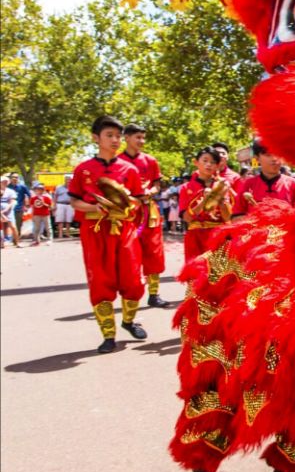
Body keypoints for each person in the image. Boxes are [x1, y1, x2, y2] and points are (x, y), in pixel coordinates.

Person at [68, 116, 150, 354]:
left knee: (133, 279)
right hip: (94, 230)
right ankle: (108, 335)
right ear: (96, 138)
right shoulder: (83, 169)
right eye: (109, 136)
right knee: (100, 280)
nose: (115, 141)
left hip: (124, 229)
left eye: (117, 136)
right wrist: (95, 208)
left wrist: (125, 203)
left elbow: (139, 200)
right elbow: (74, 200)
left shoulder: (129, 169)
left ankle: (129, 321)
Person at [120, 124, 170, 308]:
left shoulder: (150, 161)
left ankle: (154, 294)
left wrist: (149, 191)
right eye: (137, 137)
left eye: (143, 137)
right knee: (128, 252)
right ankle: (130, 293)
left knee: (154, 252)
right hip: (127, 213)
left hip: (149, 212)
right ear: (126, 138)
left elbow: (157, 185)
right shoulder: (117, 161)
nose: (141, 141)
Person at [179, 147, 235, 262]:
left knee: (217, 276)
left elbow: (227, 217)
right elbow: (187, 218)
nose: (209, 165)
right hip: (194, 237)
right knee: (195, 274)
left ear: (217, 166)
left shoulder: (221, 186)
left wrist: (219, 198)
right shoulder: (186, 187)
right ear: (196, 162)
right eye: (205, 161)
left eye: (213, 162)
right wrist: (204, 201)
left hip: (217, 236)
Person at [232, 139, 295, 217]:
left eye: (277, 154)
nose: (274, 159)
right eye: (268, 155)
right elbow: (236, 216)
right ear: (257, 158)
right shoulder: (248, 184)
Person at [8, 174, 32, 242]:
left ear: (18, 179)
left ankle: (16, 239)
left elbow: (29, 195)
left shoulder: (22, 187)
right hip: (9, 209)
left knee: (18, 224)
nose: (15, 179)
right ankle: (10, 239)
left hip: (19, 208)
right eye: (13, 177)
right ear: (10, 178)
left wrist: (28, 205)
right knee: (9, 225)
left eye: (16, 177)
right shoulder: (8, 187)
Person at [0, 175, 18, 248]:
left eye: (6, 182)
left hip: (8, 210)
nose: (4, 183)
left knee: (13, 226)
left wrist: (5, 210)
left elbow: (12, 202)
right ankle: (2, 243)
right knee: (1, 228)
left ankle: (17, 242)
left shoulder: (11, 191)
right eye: (3, 181)